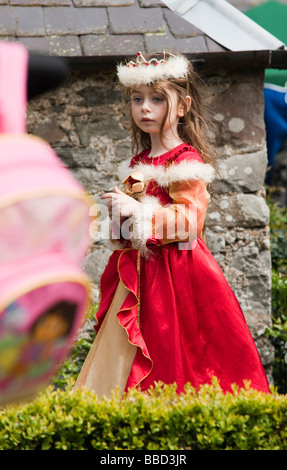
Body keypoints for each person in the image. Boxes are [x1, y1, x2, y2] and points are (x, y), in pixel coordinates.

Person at [74, 51, 270, 398]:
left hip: (179, 276)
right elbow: (125, 239)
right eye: (137, 99)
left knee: (176, 352)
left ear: (182, 106)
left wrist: (136, 209)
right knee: (122, 356)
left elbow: (189, 223)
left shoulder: (185, 162)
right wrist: (119, 218)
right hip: (137, 277)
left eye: (157, 99)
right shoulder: (137, 163)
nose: (144, 108)